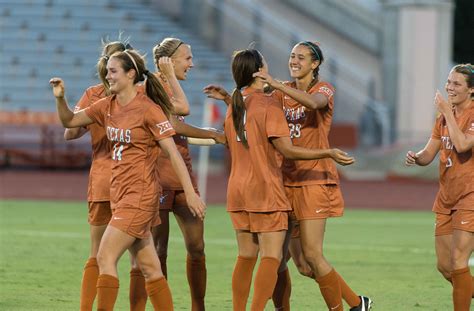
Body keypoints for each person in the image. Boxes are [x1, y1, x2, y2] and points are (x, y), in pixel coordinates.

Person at [205, 41, 372, 311]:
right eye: (292, 56)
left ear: (315, 64)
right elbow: (253, 111)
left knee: (313, 255)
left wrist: (277, 86)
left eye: (301, 58)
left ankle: (347, 308)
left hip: (313, 179)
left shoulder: (322, 89)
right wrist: (229, 98)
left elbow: (315, 103)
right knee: (295, 264)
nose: (294, 61)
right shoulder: (276, 93)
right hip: (283, 181)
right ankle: (354, 302)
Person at [50, 48, 206, 311]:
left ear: (131, 74)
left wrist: (190, 193)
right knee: (150, 267)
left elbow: (172, 153)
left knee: (105, 256)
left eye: (112, 71)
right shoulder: (106, 105)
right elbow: (71, 121)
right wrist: (61, 98)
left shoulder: (148, 109)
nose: (107, 76)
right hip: (119, 194)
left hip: (140, 196)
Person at [63, 39, 152, 311]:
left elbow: (69, 132)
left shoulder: (93, 95)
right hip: (135, 183)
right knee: (142, 259)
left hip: (103, 180)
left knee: (98, 253)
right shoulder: (140, 96)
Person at [150, 37, 225, 311]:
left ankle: (198, 306)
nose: (191, 64)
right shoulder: (152, 85)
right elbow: (171, 123)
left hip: (183, 178)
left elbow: (178, 124)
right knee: (158, 251)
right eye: (187, 58)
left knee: (197, 247)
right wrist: (212, 134)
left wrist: (210, 137)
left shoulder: (170, 85)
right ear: (168, 60)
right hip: (156, 179)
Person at [406, 63, 474, 311]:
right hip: (446, 196)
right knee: (445, 266)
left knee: (458, 262)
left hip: (471, 195)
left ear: (472, 90)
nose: (449, 87)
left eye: (456, 83)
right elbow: (429, 153)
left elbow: (463, 144)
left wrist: (447, 110)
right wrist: (417, 157)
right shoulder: (443, 119)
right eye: (448, 82)